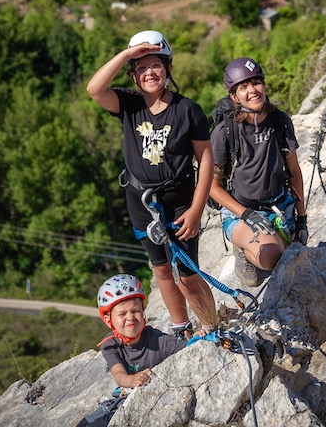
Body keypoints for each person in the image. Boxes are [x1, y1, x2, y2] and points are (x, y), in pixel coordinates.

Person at [86, 30, 217, 336]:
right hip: (142, 201)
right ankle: (181, 327)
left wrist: (197, 210)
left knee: (187, 274)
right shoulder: (129, 105)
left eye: (155, 65)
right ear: (133, 74)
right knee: (160, 269)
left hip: (181, 199)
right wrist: (126, 55)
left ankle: (213, 327)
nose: (149, 73)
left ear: (168, 68)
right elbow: (94, 89)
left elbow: (207, 160)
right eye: (141, 68)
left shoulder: (187, 110)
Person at [209, 57, 308, 287]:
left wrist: (302, 219)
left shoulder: (279, 121)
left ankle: (268, 241)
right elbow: (212, 188)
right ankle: (244, 249)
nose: (253, 90)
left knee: (295, 255)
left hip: (279, 205)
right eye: (243, 87)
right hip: (241, 211)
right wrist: (247, 215)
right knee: (273, 257)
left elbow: (294, 171)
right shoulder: (225, 132)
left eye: (256, 83)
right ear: (233, 96)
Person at [77, 274, 188, 427]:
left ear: (143, 313)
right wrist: (131, 380)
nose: (130, 318)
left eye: (135, 311)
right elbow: (119, 374)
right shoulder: (110, 345)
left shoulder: (158, 340)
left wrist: (197, 339)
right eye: (122, 314)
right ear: (109, 320)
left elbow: (189, 350)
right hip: (124, 397)